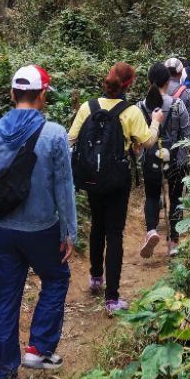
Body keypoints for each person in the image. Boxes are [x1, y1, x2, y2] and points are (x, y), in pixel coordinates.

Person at [0, 65, 77, 379]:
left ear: (11, 94)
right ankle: (38, 349)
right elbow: (64, 190)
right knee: (56, 278)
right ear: (42, 95)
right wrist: (70, 233)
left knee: (4, 298)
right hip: (41, 230)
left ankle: (3, 374)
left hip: (2, 230)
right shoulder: (54, 135)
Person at [68, 62, 162, 314]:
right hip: (117, 179)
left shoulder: (88, 107)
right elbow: (149, 141)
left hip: (91, 178)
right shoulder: (130, 111)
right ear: (128, 84)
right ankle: (112, 299)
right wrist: (155, 121)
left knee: (97, 226)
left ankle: (95, 278)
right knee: (115, 233)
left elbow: (71, 138)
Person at [138, 62, 190, 258]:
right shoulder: (178, 104)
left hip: (150, 159)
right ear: (168, 81)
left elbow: (138, 137)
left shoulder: (140, 106)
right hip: (176, 160)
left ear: (148, 81)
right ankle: (174, 242)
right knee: (176, 197)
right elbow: (189, 135)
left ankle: (152, 231)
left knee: (152, 196)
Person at [165, 56, 190, 135]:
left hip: (161, 140)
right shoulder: (187, 93)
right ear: (181, 73)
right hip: (180, 141)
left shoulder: (157, 91)